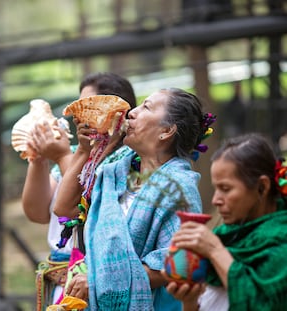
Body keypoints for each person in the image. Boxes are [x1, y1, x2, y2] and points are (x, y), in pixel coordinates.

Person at [54, 88, 214, 310]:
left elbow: (177, 263)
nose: (131, 113)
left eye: (146, 107)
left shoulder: (178, 188)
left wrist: (98, 283)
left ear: (166, 131)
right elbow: (63, 208)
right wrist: (95, 147)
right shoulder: (113, 175)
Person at [21, 72, 137, 310]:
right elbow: (38, 213)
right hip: (61, 275)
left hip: (95, 278)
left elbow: (87, 204)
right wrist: (38, 159)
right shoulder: (75, 150)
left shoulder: (129, 157)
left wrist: (63, 156)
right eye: (79, 105)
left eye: (88, 106)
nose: (79, 114)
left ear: (115, 110)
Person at [165, 133, 287, 311]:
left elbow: (263, 305)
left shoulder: (281, 245)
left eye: (226, 189)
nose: (215, 200)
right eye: (216, 189)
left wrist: (214, 250)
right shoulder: (226, 238)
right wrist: (189, 302)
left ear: (262, 187)